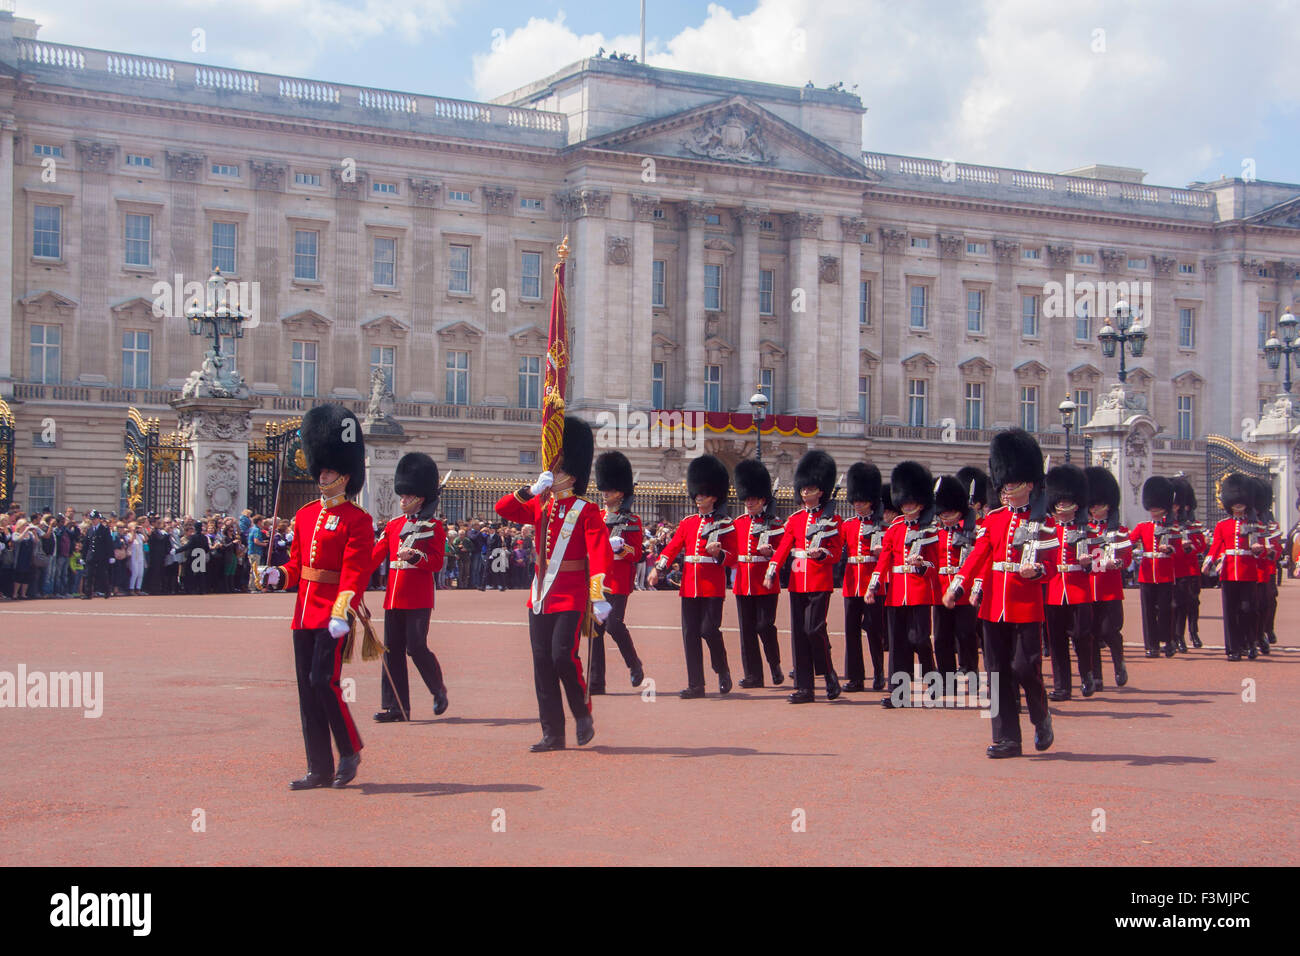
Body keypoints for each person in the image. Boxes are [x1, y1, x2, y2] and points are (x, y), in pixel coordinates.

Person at [260, 403, 374, 790]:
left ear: (345, 476)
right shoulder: (306, 515)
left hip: (332, 615)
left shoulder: (359, 521)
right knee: (307, 691)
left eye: (328, 471)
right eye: (320, 470)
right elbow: (297, 566)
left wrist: (343, 610)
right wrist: (278, 575)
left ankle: (350, 748)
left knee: (324, 681)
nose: (322, 476)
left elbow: (356, 572)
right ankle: (319, 768)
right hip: (303, 614)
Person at [495, 418, 613, 751]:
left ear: (571, 474)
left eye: (558, 468)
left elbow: (599, 551)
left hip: (573, 594)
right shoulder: (541, 504)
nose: (553, 473)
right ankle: (552, 732)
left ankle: (582, 712)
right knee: (541, 663)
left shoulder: (586, 510)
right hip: (541, 595)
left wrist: (598, 591)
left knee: (563, 656)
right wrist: (528, 490)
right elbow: (502, 508)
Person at [944, 428, 1057, 758]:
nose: (1008, 490)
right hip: (994, 605)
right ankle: (1007, 738)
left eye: (1014, 484)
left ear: (1030, 484)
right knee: (996, 673)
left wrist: (1037, 571)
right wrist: (959, 584)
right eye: (1005, 484)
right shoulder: (993, 520)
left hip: (1026, 605)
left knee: (1025, 668)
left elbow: (1048, 563)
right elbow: (979, 555)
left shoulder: (1044, 523)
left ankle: (1040, 715)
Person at [649, 454, 737, 699]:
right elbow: (673, 547)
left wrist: (720, 553)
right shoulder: (688, 523)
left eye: (704, 494)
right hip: (689, 585)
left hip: (712, 585)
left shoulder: (726, 524)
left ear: (714, 496)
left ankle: (722, 669)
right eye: (697, 494)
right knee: (690, 635)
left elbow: (734, 557)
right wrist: (659, 568)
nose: (699, 498)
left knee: (709, 630)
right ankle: (696, 684)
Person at [372, 452, 449, 722]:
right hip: (393, 597)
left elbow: (437, 563)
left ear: (420, 498)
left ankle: (438, 689)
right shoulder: (393, 526)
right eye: (402, 497)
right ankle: (396, 706)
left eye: (407, 497)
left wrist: (416, 557)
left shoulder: (434, 527)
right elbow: (375, 555)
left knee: (415, 647)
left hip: (418, 596)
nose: (402, 500)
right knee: (391, 651)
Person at [767, 449, 842, 704]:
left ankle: (828, 671)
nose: (805, 494)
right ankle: (804, 687)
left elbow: (835, 554)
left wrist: (821, 554)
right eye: (803, 490)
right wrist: (772, 568)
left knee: (814, 629)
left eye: (810, 490)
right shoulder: (796, 519)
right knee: (799, 633)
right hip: (798, 581)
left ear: (821, 491)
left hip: (820, 580)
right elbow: (784, 547)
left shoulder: (833, 520)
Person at [868, 461, 940, 708]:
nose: (908, 507)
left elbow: (935, 565)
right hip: (897, 592)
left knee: (920, 639)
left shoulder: (931, 529)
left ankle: (933, 682)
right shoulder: (895, 528)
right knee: (898, 645)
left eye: (912, 503)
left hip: (919, 592)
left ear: (921, 503)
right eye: (905, 503)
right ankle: (899, 693)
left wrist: (921, 565)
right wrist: (873, 584)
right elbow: (885, 558)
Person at [589, 451, 646, 693]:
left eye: (610, 491)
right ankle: (596, 682)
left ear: (620, 493)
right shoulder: (596, 517)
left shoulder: (632, 519)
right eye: (604, 490)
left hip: (619, 579)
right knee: (594, 631)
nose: (605, 494)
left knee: (613, 625)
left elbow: (637, 554)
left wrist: (621, 549)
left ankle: (634, 664)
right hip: (596, 579)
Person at [1042, 464, 1096, 701]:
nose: (1062, 506)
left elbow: (1101, 559)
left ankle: (1087, 676)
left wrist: (1089, 563)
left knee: (1082, 636)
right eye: (1059, 502)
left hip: (1078, 589)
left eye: (1067, 502)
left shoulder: (1088, 531)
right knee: (1057, 641)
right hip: (1054, 589)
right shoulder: (1047, 531)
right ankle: (1062, 686)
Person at [732, 458, 785, 688]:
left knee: (765, 626)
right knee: (747, 632)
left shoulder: (775, 524)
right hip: (744, 582)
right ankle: (754, 674)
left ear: (763, 500)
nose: (749, 502)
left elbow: (785, 552)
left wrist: (770, 552)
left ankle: (774, 664)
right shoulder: (738, 523)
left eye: (754, 499)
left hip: (766, 582)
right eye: (747, 499)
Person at [1203, 473, 1261, 661]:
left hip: (1248, 571)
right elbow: (1216, 545)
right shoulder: (1222, 525)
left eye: (1240, 501)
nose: (1237, 504)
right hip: (1228, 572)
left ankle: (1250, 643)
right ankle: (1233, 648)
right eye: (1234, 501)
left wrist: (1259, 549)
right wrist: (1209, 561)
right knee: (1230, 611)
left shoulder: (1255, 524)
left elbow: (1264, 547)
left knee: (1247, 609)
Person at [839, 462, 886, 691]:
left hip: (873, 583)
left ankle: (879, 672)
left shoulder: (882, 526)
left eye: (863, 501)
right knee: (851, 631)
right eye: (856, 501)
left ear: (872, 501)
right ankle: (856, 677)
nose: (858, 505)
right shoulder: (847, 525)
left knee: (874, 630)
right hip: (851, 582)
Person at [1084, 466, 1130, 688]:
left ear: (1108, 506)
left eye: (1098, 506)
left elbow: (1127, 558)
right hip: (1089, 588)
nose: (1094, 510)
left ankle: (1119, 662)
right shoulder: (1085, 530)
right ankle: (1097, 676)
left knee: (1109, 631)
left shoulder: (1119, 531)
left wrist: (1117, 563)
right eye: (1092, 506)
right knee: (1091, 635)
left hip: (1110, 588)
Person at [931, 473, 978, 686]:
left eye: (950, 512)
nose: (946, 516)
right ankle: (946, 677)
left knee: (966, 635)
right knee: (941, 638)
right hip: (941, 591)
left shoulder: (970, 531)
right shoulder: (935, 533)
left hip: (964, 592)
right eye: (943, 512)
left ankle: (971, 670)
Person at [1130, 476, 1181, 659]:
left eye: (1157, 507)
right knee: (1148, 611)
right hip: (1146, 574)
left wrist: (1170, 549)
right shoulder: (1143, 527)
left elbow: (1179, 550)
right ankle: (1151, 645)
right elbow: (1129, 541)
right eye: (1152, 507)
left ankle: (1167, 641)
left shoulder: (1172, 528)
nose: (1154, 511)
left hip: (1165, 574)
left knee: (1166, 610)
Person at [1169, 475, 1206, 652]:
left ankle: (1194, 632)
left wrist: (1191, 546)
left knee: (1193, 603)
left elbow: (1202, 545)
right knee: (1177, 605)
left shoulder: (1192, 524)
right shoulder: (1167, 524)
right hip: (1174, 569)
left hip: (1190, 570)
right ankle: (1178, 637)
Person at [84, 511, 114, 599]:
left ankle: (107, 591)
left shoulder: (104, 529)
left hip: (101, 556)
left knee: (102, 574)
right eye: (92, 519)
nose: (93, 521)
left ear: (98, 519)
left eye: (95, 519)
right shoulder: (89, 530)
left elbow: (109, 544)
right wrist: (83, 556)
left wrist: (111, 556)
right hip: (91, 556)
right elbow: (86, 544)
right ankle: (88, 594)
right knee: (88, 575)